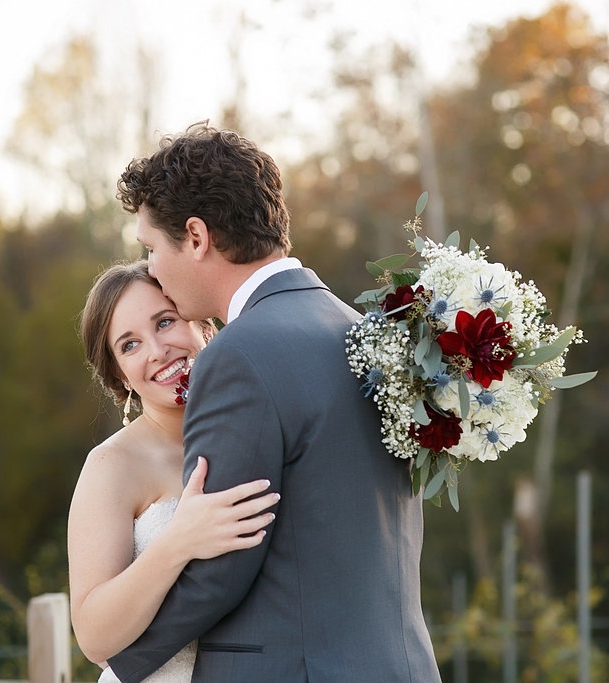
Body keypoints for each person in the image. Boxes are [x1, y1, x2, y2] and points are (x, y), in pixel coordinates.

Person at [106, 123, 441, 682]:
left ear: (195, 236)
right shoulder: (365, 333)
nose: (154, 271)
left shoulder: (238, 356)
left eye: (151, 248)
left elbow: (224, 564)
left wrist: (122, 669)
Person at [68, 260, 280, 683]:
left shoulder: (260, 426)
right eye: (130, 345)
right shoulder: (112, 466)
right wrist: (178, 542)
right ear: (119, 375)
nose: (156, 350)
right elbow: (93, 638)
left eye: (165, 322)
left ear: (203, 325)